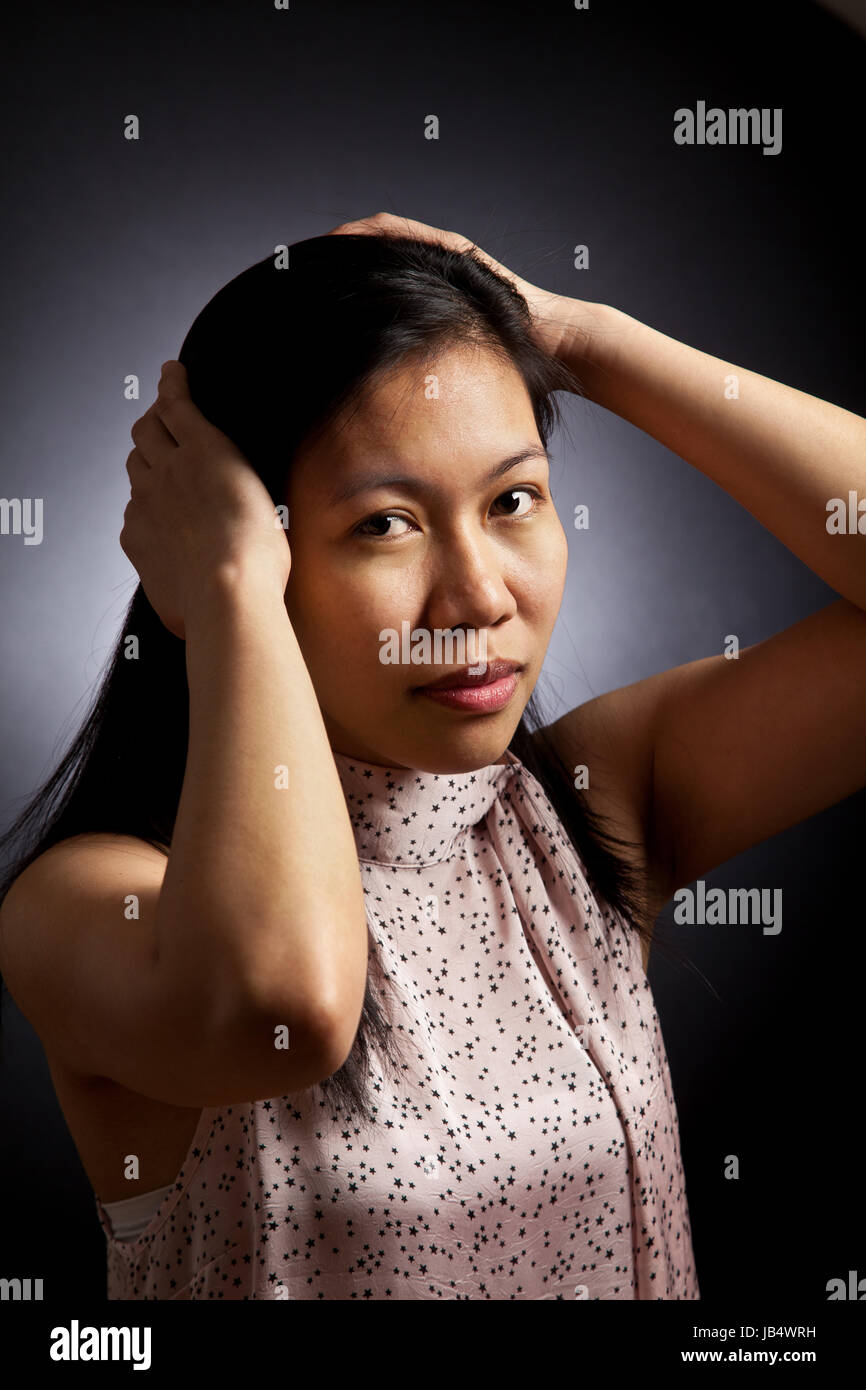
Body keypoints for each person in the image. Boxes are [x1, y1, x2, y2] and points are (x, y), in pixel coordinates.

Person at [1, 213, 864, 1301]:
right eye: (383, 525)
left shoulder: (592, 807)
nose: (477, 600)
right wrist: (228, 597)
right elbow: (288, 1006)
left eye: (512, 500)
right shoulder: (96, 902)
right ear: (239, 541)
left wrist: (575, 339)